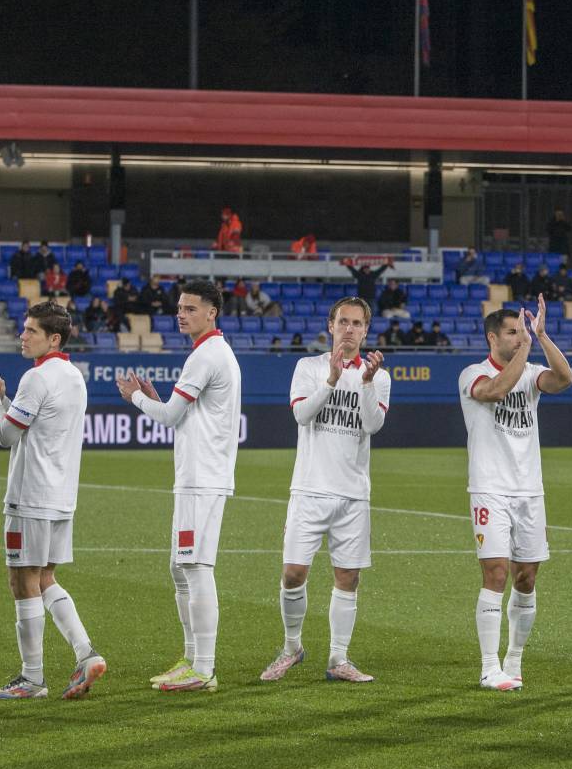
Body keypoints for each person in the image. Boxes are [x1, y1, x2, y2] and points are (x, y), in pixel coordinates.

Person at [116, 280, 242, 692]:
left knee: (195, 566)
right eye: (180, 307)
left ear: (211, 313)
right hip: (197, 475)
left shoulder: (207, 354)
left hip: (202, 477)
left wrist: (136, 398)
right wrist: (155, 397)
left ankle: (203, 668)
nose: (181, 314)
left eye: (190, 308)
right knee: (180, 567)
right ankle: (190, 658)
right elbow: (182, 412)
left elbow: (169, 417)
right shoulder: (208, 352)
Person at [259, 297, 390, 685]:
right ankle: (292, 647)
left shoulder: (377, 376)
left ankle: (338, 658)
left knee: (347, 578)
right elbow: (301, 415)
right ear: (331, 325)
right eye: (343, 322)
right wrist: (331, 380)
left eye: (357, 324)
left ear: (366, 330)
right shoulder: (308, 367)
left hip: (352, 494)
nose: (349, 330)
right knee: (293, 572)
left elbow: (372, 425)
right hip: (310, 489)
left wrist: (365, 384)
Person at [0, 302, 105, 702]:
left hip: (30, 496)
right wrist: (6, 397)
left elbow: (4, 436)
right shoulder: (74, 376)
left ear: (53, 338)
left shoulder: (37, 379)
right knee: (45, 578)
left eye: (31, 330)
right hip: (61, 497)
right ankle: (86, 653)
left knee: (22, 582)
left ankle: (32, 678)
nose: (23, 335)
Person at [458, 295, 572, 691]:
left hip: (530, 490)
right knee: (495, 572)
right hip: (489, 489)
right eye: (513, 332)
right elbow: (493, 392)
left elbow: (565, 379)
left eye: (521, 331)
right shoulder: (472, 373)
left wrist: (540, 337)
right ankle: (489, 667)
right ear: (493, 337)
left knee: (526, 578)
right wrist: (525, 352)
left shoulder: (531, 369)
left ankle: (514, 659)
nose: (518, 337)